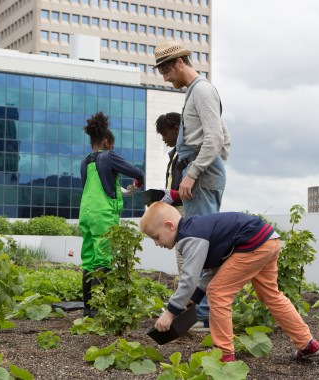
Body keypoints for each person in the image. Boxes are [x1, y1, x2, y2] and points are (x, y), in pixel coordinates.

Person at [139, 202, 319, 362]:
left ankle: (224, 354)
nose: (157, 243)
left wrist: (170, 313)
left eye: (156, 237)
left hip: (253, 244)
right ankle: (307, 343)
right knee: (271, 295)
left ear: (170, 226)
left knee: (218, 293)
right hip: (268, 239)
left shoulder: (190, 237)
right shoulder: (197, 229)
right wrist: (194, 298)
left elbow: (189, 278)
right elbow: (214, 270)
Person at [153, 41, 231, 217]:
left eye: (166, 72)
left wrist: (195, 173)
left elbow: (216, 138)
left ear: (180, 62)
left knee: (199, 237)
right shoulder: (195, 91)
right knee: (198, 235)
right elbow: (224, 136)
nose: (165, 79)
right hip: (200, 175)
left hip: (200, 178)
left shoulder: (202, 90)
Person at [79, 112, 145, 317]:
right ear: (107, 142)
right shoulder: (109, 156)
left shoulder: (85, 161)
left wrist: (120, 191)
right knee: (104, 259)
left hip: (86, 214)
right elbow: (138, 174)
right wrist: (136, 186)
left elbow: (95, 188)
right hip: (103, 215)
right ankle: (100, 310)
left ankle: (88, 309)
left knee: (89, 260)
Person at [155, 112, 210, 332]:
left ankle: (198, 315)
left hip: (186, 215)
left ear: (177, 129)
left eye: (165, 133)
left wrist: (172, 195)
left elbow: (190, 189)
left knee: (192, 266)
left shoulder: (189, 156)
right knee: (185, 265)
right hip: (178, 213)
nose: (163, 139)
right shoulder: (175, 156)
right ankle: (190, 313)